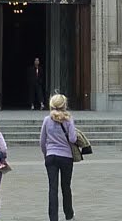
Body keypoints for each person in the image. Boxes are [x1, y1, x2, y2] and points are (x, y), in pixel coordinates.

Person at [39, 93, 76, 221]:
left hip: (51, 156)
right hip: (66, 157)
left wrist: (46, 154)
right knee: (66, 187)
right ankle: (69, 215)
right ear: (64, 105)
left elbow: (42, 141)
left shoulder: (46, 120)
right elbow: (72, 138)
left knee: (52, 188)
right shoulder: (69, 119)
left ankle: (53, 217)